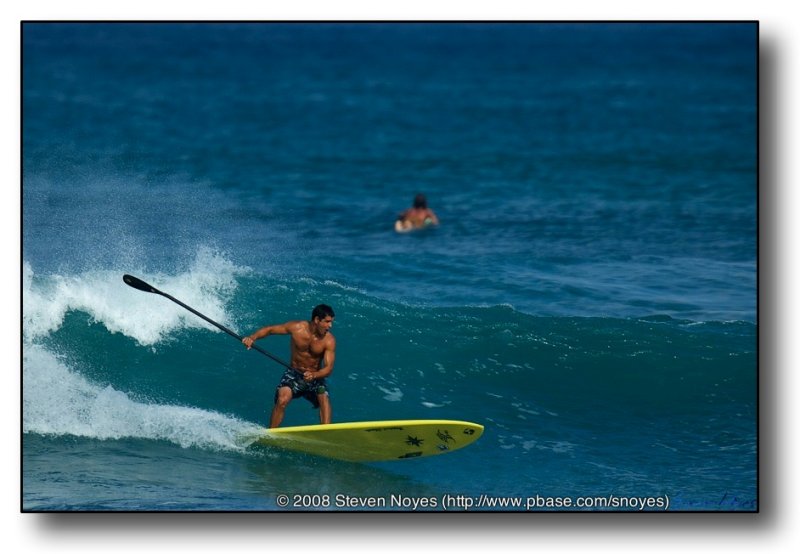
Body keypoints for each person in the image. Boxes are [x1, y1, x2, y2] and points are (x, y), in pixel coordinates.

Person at [242, 304, 336, 428]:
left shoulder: (329, 340)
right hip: (294, 373)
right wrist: (252, 337)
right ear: (317, 320)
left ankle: (326, 431)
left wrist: (314, 375)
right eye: (327, 322)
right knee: (282, 399)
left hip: (314, 376)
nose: (330, 326)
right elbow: (270, 329)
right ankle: (272, 432)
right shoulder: (297, 328)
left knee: (323, 395)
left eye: (331, 322)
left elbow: (328, 369)